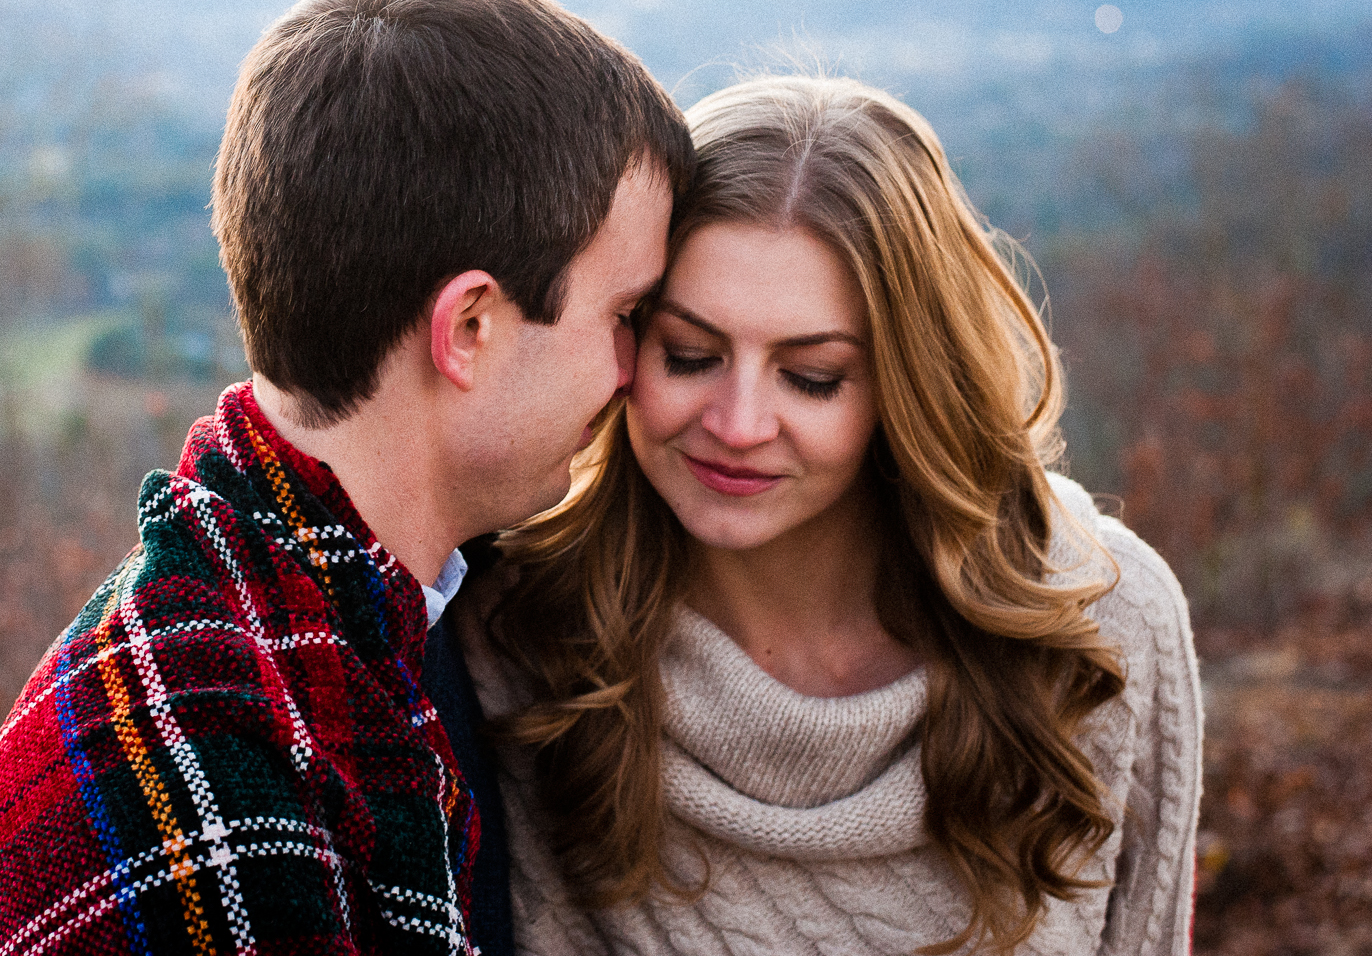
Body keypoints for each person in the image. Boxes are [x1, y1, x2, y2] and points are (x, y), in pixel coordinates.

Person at [0, 0, 693, 956]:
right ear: (469, 327)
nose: (636, 370)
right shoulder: (207, 800)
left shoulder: (356, 636)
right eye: (624, 314)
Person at [462, 76, 1202, 955]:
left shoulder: (1104, 624)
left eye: (812, 376)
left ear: (911, 385)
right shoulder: (518, 625)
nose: (737, 426)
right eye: (689, 355)